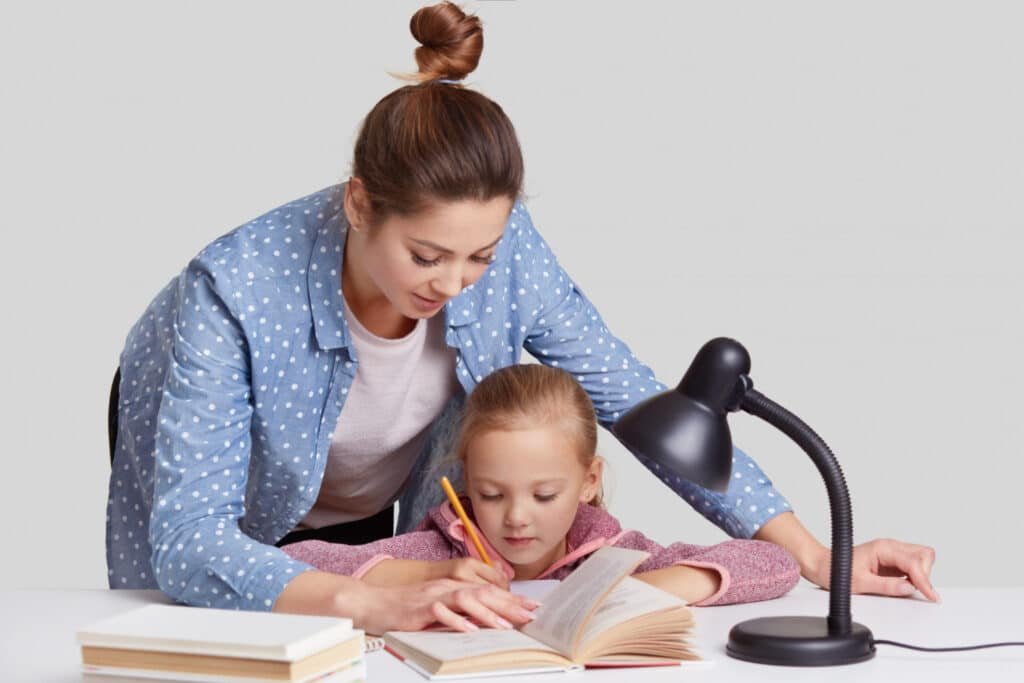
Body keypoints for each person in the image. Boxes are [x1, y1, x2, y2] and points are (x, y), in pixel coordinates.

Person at [106, 2, 937, 636]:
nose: (457, 285)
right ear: (360, 205)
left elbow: (639, 403)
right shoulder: (232, 290)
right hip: (237, 511)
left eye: (482, 257)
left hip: (372, 506)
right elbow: (189, 538)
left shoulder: (505, 252)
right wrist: (361, 600)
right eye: (427, 256)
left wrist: (813, 554)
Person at [283, 364, 801, 631]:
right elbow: (289, 562)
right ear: (467, 481)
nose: (516, 518)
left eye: (545, 494)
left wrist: (656, 588)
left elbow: (775, 563)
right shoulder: (436, 553)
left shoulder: (613, 556)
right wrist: (428, 577)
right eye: (490, 493)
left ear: (589, 481)